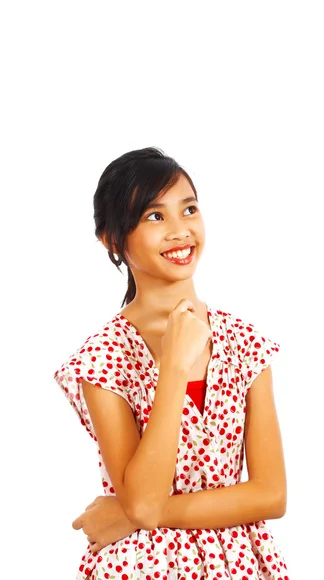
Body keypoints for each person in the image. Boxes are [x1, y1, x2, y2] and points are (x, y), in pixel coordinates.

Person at [53, 146, 289, 580]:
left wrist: (130, 515)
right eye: (154, 217)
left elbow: (271, 495)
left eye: (189, 209)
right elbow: (143, 500)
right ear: (112, 240)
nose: (180, 231)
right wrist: (175, 367)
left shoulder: (245, 343)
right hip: (141, 565)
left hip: (241, 563)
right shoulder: (102, 358)